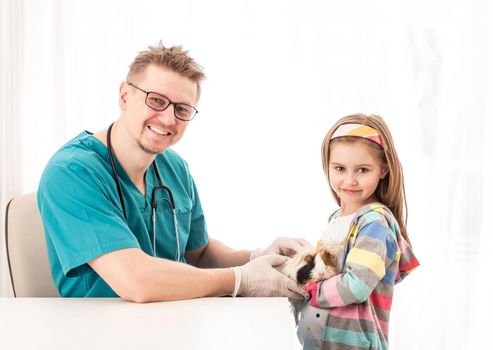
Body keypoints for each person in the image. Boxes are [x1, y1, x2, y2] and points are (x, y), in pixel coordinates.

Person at [37, 41, 309, 302]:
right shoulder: (72, 173)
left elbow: (198, 254)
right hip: (100, 332)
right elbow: (136, 281)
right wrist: (240, 280)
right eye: (156, 101)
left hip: (178, 319)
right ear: (124, 96)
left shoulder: (173, 167)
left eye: (182, 109)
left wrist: (257, 259)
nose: (168, 119)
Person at [297, 114, 419, 349]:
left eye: (362, 170)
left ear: (383, 170)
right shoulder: (337, 218)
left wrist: (309, 290)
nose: (349, 180)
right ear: (328, 166)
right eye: (340, 168)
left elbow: (357, 286)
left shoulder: (374, 224)